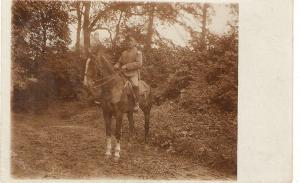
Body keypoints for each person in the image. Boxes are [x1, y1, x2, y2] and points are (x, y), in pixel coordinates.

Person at [114, 36, 142, 112]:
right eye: (128, 42)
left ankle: (137, 103)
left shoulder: (138, 52)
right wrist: (117, 64)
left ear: (134, 43)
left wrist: (126, 66)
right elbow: (119, 61)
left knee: (135, 85)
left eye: (131, 41)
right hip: (123, 74)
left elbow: (139, 64)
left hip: (133, 74)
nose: (129, 43)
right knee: (116, 84)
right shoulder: (124, 53)